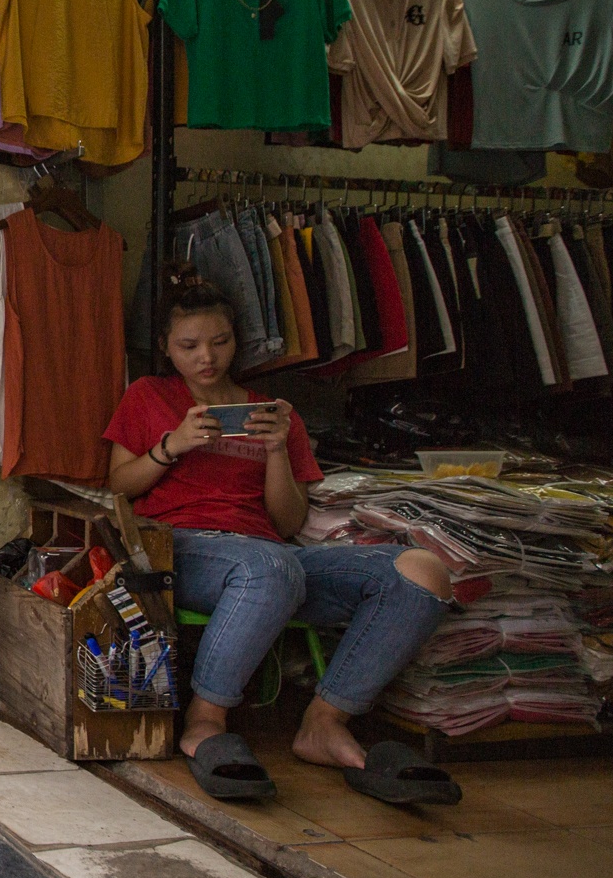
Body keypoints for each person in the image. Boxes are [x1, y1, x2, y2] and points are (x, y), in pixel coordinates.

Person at [104, 279, 462, 806]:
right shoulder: (149, 397)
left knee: (421, 571)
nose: (207, 357)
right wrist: (171, 446)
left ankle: (323, 721)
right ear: (165, 346)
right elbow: (119, 488)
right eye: (190, 346)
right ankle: (205, 719)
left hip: (269, 557)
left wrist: (276, 449)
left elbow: (289, 521)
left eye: (221, 342)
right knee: (270, 567)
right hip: (183, 547)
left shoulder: (268, 412)